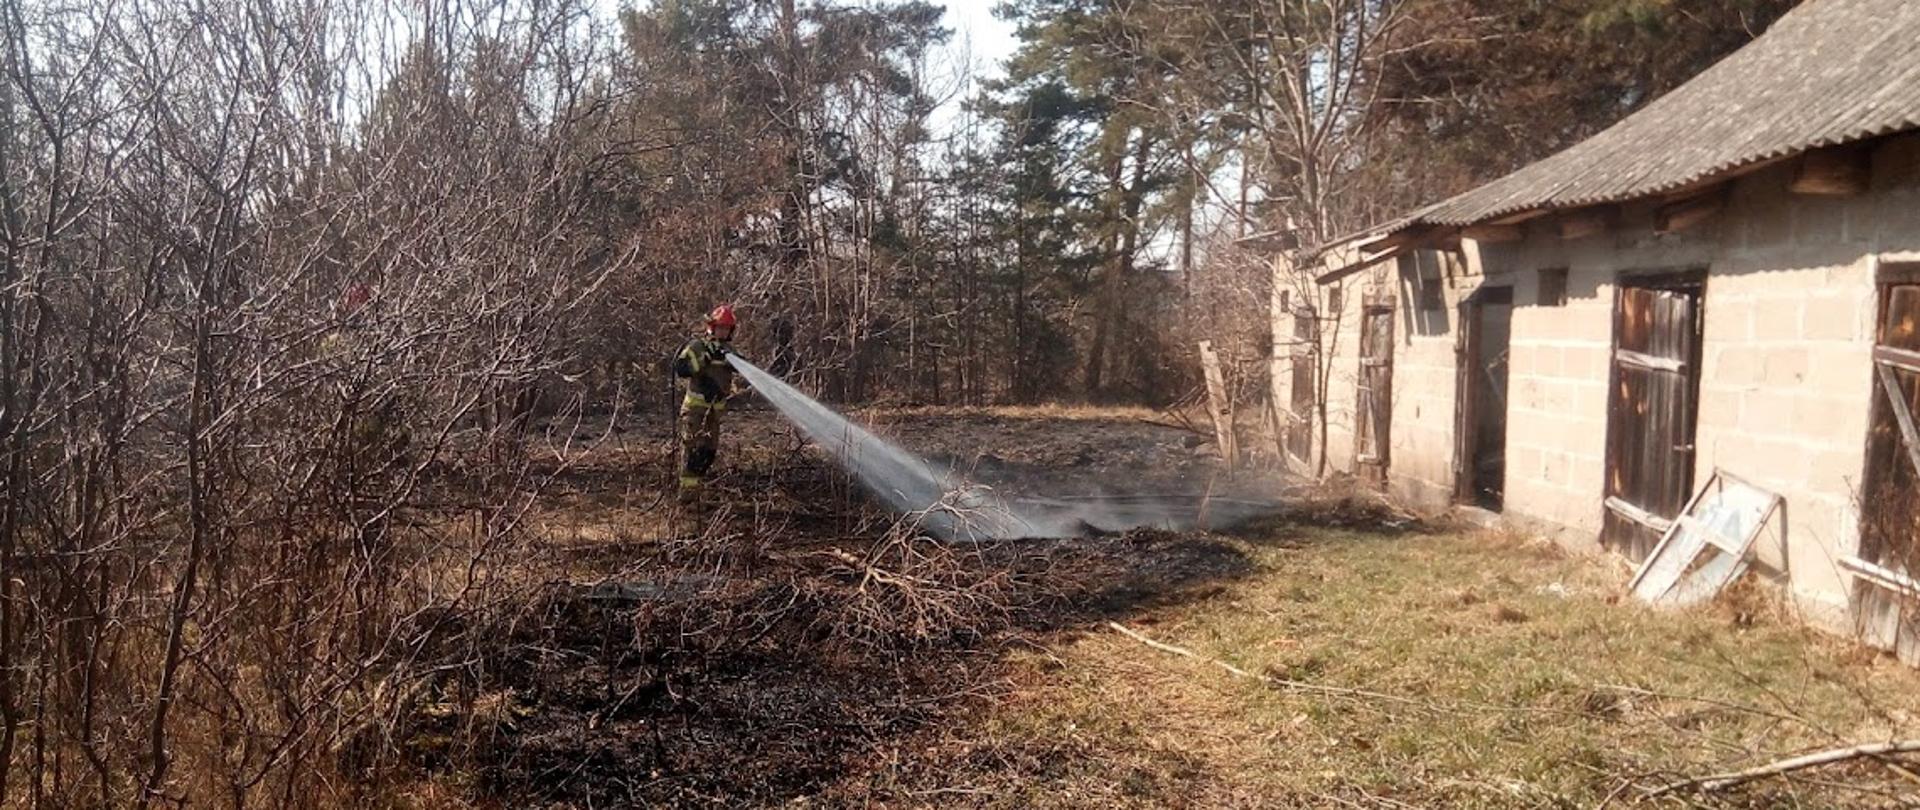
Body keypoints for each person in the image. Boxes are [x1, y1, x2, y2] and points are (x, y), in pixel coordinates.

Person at [673, 304, 740, 501]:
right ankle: (686, 498)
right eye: (720, 327)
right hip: (695, 411)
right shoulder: (698, 346)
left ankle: (696, 492)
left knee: (708, 453)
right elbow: (682, 368)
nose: (723, 331)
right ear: (711, 327)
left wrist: (733, 360)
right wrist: (706, 358)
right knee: (691, 452)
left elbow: (742, 368)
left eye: (727, 328)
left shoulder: (729, 351)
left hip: (714, 414)